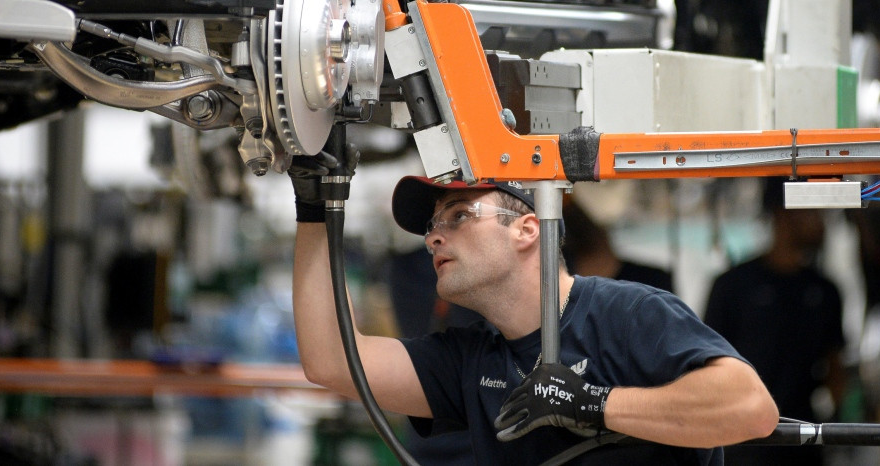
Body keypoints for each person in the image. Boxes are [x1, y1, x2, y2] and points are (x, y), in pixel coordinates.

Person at [292, 170, 779, 464]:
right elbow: (333, 360)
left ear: (527, 229)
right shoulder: (472, 360)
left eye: (458, 215)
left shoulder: (629, 313)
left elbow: (750, 408)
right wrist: (315, 204)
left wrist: (592, 404)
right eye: (432, 226)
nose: (433, 237)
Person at [704, 179, 847, 466]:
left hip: (803, 442)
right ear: (783, 213)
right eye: (812, 210)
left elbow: (836, 367)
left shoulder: (825, 291)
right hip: (742, 445)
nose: (820, 220)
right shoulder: (732, 287)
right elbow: (707, 367)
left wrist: (838, 425)